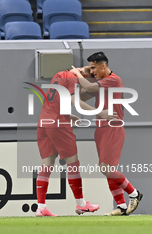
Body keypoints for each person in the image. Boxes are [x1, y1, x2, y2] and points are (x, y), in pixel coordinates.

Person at [36, 67, 117, 217]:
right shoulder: (73, 79)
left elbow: (55, 101)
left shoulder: (58, 74)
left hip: (43, 122)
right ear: (85, 74)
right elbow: (76, 101)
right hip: (58, 123)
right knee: (73, 163)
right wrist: (101, 113)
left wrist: (69, 115)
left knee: (47, 164)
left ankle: (41, 207)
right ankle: (81, 205)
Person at [70, 52, 143, 216]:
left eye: (94, 68)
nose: (93, 72)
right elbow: (80, 97)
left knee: (105, 168)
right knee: (108, 169)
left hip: (113, 128)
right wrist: (80, 77)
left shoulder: (114, 80)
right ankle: (121, 206)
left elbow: (88, 88)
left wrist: (76, 74)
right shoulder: (100, 84)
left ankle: (134, 194)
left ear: (103, 65)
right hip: (101, 129)